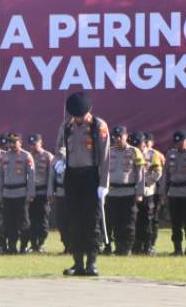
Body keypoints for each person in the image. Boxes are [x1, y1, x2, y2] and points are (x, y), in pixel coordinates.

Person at [56, 92, 110, 276]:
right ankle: (78, 263)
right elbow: (60, 147)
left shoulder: (98, 126)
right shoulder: (67, 127)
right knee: (74, 220)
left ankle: (92, 262)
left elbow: (105, 156)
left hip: (91, 176)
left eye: (80, 114)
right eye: (74, 114)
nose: (77, 118)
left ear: (89, 111)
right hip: (72, 177)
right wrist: (60, 160)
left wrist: (104, 183)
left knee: (91, 221)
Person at [104, 126, 144, 256]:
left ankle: (126, 248)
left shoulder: (135, 152)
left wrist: (139, 192)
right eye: (115, 137)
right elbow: (103, 172)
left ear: (126, 136)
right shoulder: (109, 152)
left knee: (128, 222)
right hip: (113, 193)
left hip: (129, 193)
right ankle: (118, 247)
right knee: (114, 221)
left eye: (120, 136)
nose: (117, 139)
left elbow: (140, 173)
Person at [0, 133, 35, 254]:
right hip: (7, 194)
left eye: (15, 142)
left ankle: (23, 246)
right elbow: (0, 177)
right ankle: (12, 246)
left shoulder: (26, 156)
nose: (12, 144)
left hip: (21, 193)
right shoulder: (4, 156)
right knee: (9, 222)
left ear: (20, 142)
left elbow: (31, 176)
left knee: (23, 221)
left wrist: (30, 193)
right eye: (10, 142)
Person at [27, 134, 53, 253]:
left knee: (43, 219)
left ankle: (41, 243)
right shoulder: (27, 156)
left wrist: (50, 192)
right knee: (31, 219)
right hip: (30, 194)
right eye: (31, 144)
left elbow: (51, 177)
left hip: (43, 193)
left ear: (40, 143)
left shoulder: (48, 157)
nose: (32, 146)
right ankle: (33, 244)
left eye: (35, 143)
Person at [51, 148, 69, 254]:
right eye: (60, 154)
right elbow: (52, 178)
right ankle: (66, 244)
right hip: (60, 194)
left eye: (64, 154)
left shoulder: (74, 164)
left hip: (71, 196)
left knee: (71, 221)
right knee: (61, 221)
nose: (62, 156)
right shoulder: (56, 164)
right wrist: (51, 192)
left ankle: (72, 245)